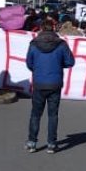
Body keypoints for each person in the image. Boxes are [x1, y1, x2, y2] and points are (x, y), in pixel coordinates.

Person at [25, 18, 75, 154]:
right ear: (53, 28)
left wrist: (37, 69)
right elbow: (70, 62)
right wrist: (59, 65)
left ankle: (32, 142)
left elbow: (29, 63)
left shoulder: (34, 44)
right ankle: (51, 144)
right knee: (53, 115)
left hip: (39, 83)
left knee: (36, 114)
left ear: (41, 28)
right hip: (55, 83)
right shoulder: (61, 44)